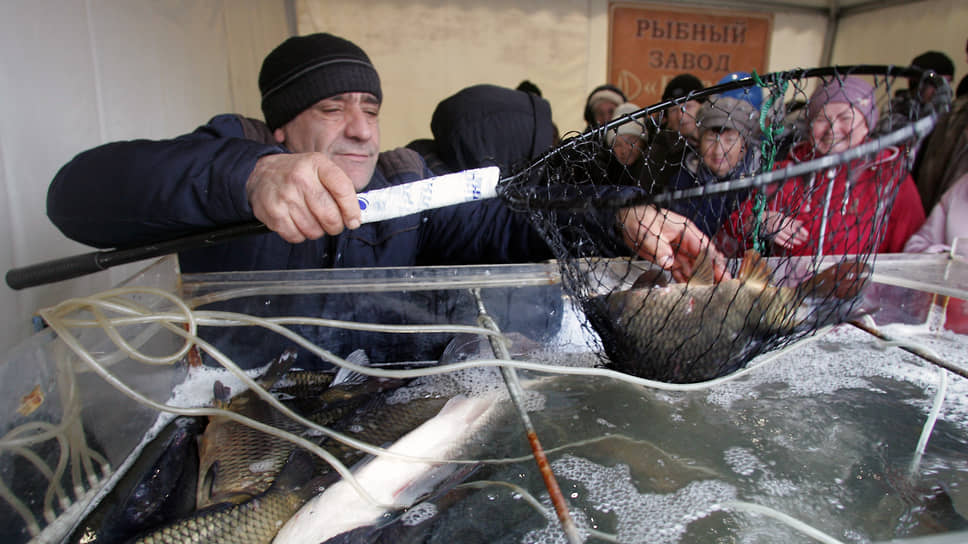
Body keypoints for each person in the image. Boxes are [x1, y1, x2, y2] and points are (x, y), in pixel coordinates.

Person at [47, 32, 719, 283]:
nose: (362, 131)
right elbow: (75, 196)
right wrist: (246, 177)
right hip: (244, 427)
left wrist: (625, 217)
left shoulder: (407, 186)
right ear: (281, 129)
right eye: (333, 108)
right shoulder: (231, 168)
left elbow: (513, 221)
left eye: (370, 108)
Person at [724, 76, 925, 256]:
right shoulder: (784, 172)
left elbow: (908, 254)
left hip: (863, 295)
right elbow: (733, 227)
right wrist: (760, 222)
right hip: (786, 293)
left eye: (846, 118)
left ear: (867, 124)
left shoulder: (890, 177)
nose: (833, 128)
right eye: (821, 118)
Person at [668, 95, 761, 238]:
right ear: (699, 143)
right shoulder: (682, 181)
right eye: (711, 139)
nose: (718, 150)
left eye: (729, 140)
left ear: (745, 146)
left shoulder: (762, 182)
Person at [645, 73, 705, 192]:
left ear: (704, 107)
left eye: (688, 106)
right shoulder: (657, 154)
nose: (680, 115)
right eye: (673, 110)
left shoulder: (720, 143)